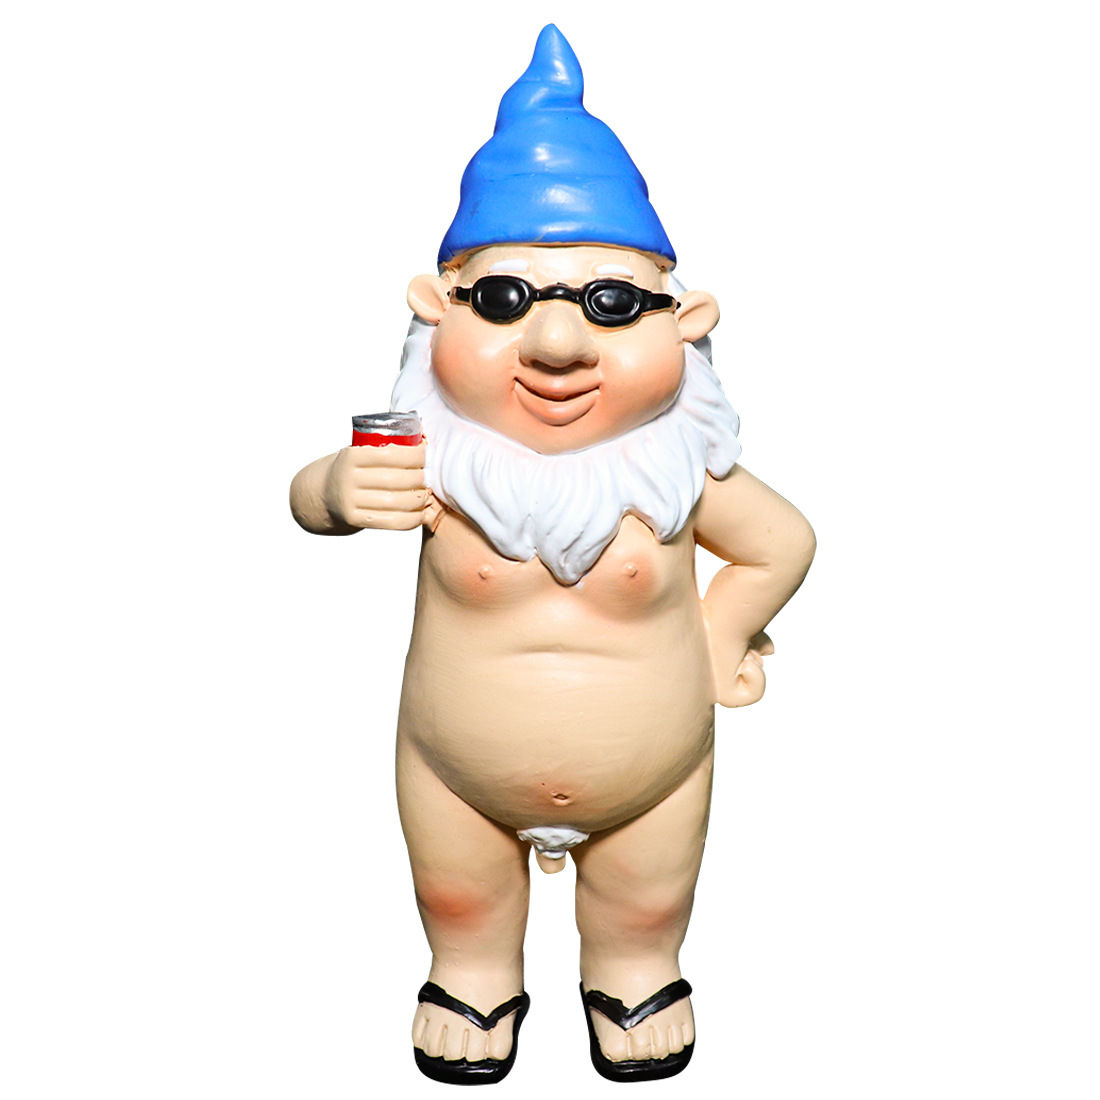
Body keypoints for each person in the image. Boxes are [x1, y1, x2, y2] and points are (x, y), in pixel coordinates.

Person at [289, 25, 814, 1085]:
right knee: (460, 892)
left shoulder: (679, 470)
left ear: (685, 323)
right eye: (503, 300)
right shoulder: (436, 460)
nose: (559, 346)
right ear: (434, 310)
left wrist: (718, 639)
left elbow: (782, 543)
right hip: (456, 768)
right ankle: (472, 973)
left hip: (652, 772)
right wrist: (337, 492)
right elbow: (307, 501)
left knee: (644, 899)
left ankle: (634, 970)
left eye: (611, 305)